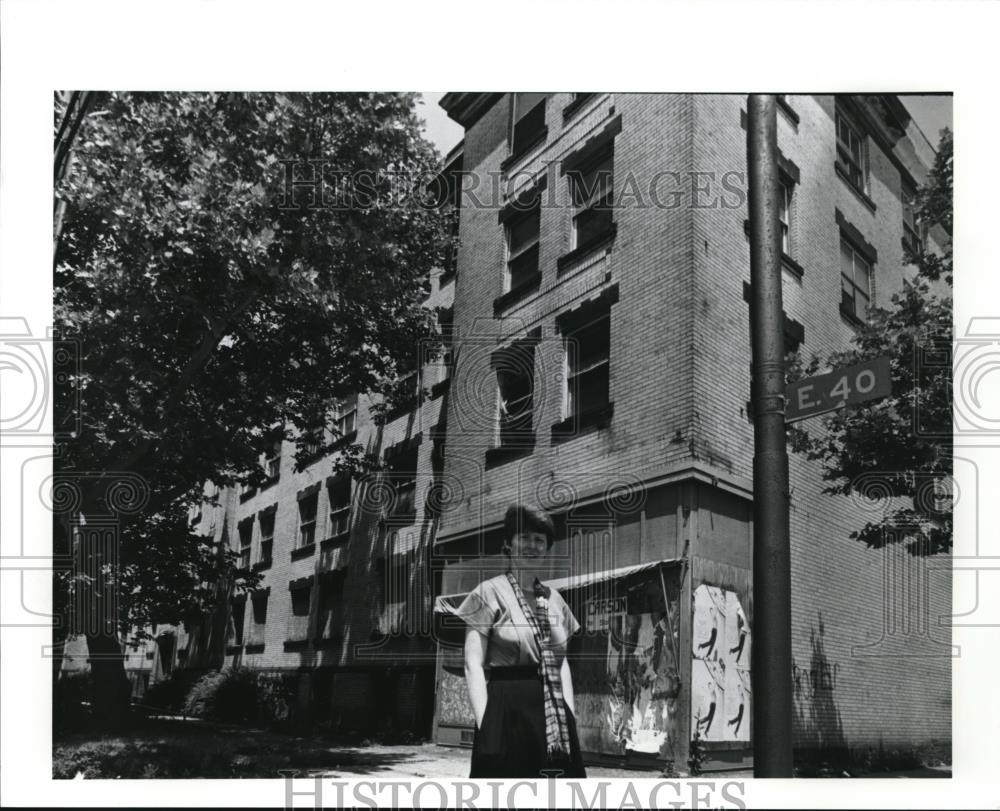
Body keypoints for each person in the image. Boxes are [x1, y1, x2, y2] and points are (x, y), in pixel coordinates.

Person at [453, 503, 586, 778]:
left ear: (547, 548)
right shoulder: (487, 592)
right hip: (506, 710)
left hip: (553, 714)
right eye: (524, 537)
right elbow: (472, 664)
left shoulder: (555, 600)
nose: (532, 546)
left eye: (540, 540)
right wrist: (486, 724)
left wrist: (569, 716)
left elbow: (562, 664)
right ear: (508, 544)